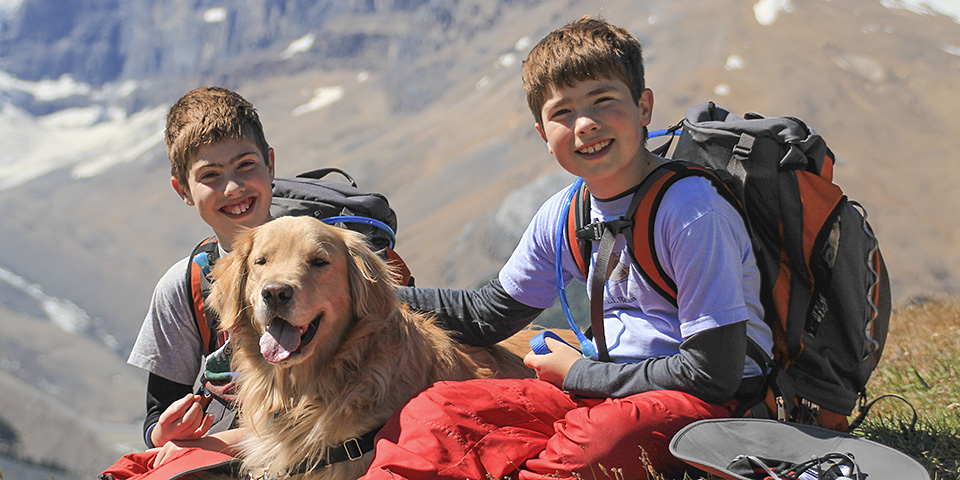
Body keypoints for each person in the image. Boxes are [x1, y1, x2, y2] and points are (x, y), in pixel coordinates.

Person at [361, 16, 775, 480]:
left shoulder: (692, 211)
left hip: (713, 406)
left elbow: (712, 374)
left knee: (599, 442)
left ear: (644, 107)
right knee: (434, 413)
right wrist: (362, 291)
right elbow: (487, 315)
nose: (584, 125)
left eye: (603, 101)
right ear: (542, 133)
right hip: (603, 394)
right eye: (562, 113)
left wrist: (580, 374)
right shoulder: (565, 213)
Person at [125, 86, 275, 458]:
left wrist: (198, 448)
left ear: (270, 164)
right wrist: (165, 432)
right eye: (210, 175)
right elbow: (157, 418)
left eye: (246, 165)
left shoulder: (325, 258)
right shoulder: (184, 287)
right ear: (183, 190)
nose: (234, 187)